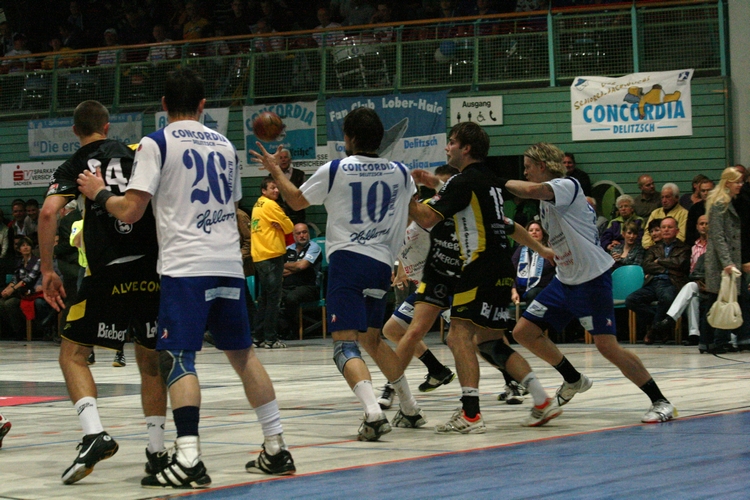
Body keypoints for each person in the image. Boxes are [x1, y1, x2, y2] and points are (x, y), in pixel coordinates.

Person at [76, 69, 296, 488]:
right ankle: (276, 447)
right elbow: (231, 205)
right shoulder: (225, 145)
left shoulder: (157, 143)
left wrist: (98, 193)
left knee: (178, 358)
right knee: (244, 356)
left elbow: (131, 211)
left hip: (186, 266)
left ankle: (189, 457)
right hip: (227, 263)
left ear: (163, 104)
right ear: (202, 106)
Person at [251, 106, 426, 441]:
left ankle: (373, 414)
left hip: (348, 262)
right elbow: (412, 213)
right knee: (372, 340)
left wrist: (275, 170)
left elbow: (296, 201)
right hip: (381, 265)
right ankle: (410, 406)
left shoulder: (336, 169)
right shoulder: (401, 172)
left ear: (350, 137)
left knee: (344, 346)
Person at [38, 100, 168, 485]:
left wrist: (47, 270)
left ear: (75, 131)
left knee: (73, 355)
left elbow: (48, 214)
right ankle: (157, 451)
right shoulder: (135, 154)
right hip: (152, 270)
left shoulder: (75, 165)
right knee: (150, 363)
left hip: (107, 272)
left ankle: (94, 433)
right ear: (107, 126)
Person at [505, 142, 676, 424]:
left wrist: (492, 180)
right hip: (565, 280)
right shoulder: (547, 202)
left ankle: (661, 401)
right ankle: (573, 378)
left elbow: (530, 189)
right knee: (523, 331)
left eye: (527, 167)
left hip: (592, 279)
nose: (525, 172)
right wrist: (546, 251)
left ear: (542, 166)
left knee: (607, 347)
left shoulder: (566, 185)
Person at [408, 123, 560, 432]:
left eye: (452, 142)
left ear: (466, 148)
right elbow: (506, 223)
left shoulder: (463, 181)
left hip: (478, 266)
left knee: (457, 336)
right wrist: (542, 249)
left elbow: (426, 217)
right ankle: (542, 400)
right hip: (500, 267)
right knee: (489, 342)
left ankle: (471, 415)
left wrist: (403, 195)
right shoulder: (489, 180)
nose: (447, 147)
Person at [378, 164, 460, 410]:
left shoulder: (425, 216)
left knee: (471, 339)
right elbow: (403, 251)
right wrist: (400, 271)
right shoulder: (393, 226)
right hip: (424, 288)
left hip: (445, 284)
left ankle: (512, 380)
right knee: (393, 329)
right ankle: (436, 370)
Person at [626, 217, 690, 345]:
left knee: (666, 298)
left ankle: (653, 330)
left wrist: (659, 260)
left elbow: (680, 264)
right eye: (663, 227)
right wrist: (666, 268)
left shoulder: (684, 248)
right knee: (631, 300)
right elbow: (647, 265)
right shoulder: (654, 248)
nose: (666, 230)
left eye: (669, 227)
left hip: (672, 282)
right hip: (653, 282)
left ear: (677, 230)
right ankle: (661, 326)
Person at [701, 167, 744, 354]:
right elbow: (717, 235)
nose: (740, 185)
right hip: (720, 260)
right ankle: (708, 340)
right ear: (728, 182)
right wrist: (727, 262)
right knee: (715, 299)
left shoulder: (729, 201)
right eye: (737, 182)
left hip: (728, 257)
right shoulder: (720, 203)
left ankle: (720, 339)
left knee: (725, 298)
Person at [652, 214, 709, 346]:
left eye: (707, 223)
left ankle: (670, 319)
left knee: (689, 288)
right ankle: (694, 334)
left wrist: (659, 261)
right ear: (697, 226)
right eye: (701, 224)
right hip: (696, 283)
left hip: (711, 284)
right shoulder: (693, 247)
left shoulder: (715, 246)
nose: (704, 226)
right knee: (692, 296)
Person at [251, 177, 294, 349]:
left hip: (260, 255)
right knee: (273, 299)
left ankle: (258, 336)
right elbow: (290, 226)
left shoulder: (257, 204)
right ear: (264, 190)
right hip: (271, 254)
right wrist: (283, 226)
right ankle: (270, 338)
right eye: (272, 188)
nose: (276, 190)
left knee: (264, 299)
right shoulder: (271, 205)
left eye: (277, 188)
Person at [279, 223, 321, 339]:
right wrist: (296, 267)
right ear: (294, 236)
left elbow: (302, 266)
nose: (302, 235)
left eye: (304, 232)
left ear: (309, 233)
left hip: (308, 287)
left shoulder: (314, 247)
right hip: (287, 287)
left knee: (292, 298)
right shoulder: (287, 249)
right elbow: (279, 270)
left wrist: (287, 265)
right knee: (269, 297)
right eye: (298, 233)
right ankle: (275, 331)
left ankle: (293, 331)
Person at [0, 237, 40, 339]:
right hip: (19, 291)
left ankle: (21, 331)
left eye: (28, 245)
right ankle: (11, 330)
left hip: (30, 292)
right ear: (19, 249)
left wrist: (12, 290)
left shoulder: (37, 261)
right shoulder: (20, 262)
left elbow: (28, 279)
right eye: (23, 246)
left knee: (10, 303)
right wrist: (6, 290)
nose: (26, 247)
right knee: (1, 303)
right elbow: (14, 279)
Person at [511, 220, 555, 304]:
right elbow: (511, 270)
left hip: (541, 289)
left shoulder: (549, 251)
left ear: (543, 233)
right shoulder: (520, 250)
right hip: (520, 289)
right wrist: (513, 291)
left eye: (537, 230)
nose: (534, 232)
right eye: (531, 230)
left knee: (532, 294)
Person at [641, 183, 689, 248]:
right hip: (653, 249)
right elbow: (647, 233)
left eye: (667, 197)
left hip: (674, 249)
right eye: (662, 197)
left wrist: (665, 247)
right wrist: (650, 246)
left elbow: (681, 236)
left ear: (676, 198)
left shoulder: (683, 213)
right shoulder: (655, 213)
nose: (664, 200)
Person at [276, 149, 307, 224]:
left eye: (285, 157)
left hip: (298, 214)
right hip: (279, 215)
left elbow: (304, 193)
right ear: (277, 161)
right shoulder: (273, 176)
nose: (283, 160)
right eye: (280, 158)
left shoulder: (300, 174)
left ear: (290, 160)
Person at [685, 178, 714, 245]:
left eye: (709, 190)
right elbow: (690, 232)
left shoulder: (720, 208)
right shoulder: (694, 209)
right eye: (703, 191)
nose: (706, 193)